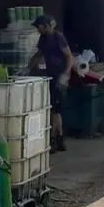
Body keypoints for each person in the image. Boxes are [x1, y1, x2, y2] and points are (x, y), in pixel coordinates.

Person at [26, 14, 74, 153]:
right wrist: (28, 67)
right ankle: (60, 139)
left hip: (59, 77)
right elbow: (39, 54)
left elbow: (69, 56)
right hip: (50, 75)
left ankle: (53, 139)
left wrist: (65, 74)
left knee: (55, 110)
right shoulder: (43, 38)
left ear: (46, 26)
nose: (37, 29)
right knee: (55, 109)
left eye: (39, 27)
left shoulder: (58, 37)